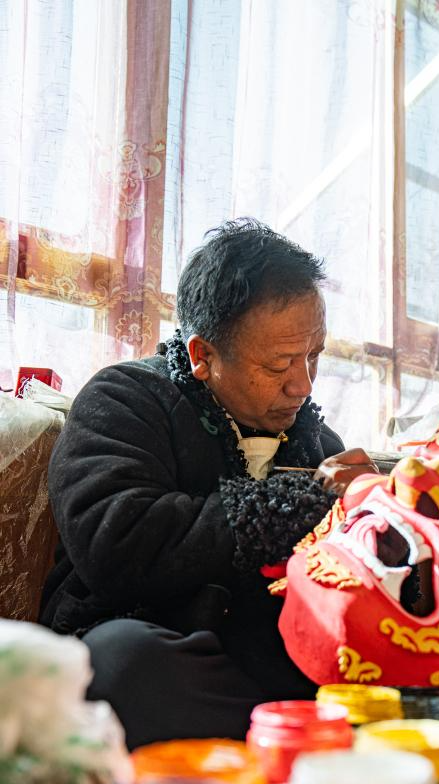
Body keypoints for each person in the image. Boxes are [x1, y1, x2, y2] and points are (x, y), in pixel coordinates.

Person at [40, 219, 377, 749]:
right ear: (203, 356)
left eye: (314, 356)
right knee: (123, 662)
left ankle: (292, 733)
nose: (303, 385)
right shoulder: (124, 399)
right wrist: (308, 503)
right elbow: (119, 542)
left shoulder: (317, 440)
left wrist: (379, 513)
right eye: (280, 364)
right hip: (163, 650)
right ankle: (299, 736)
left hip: (268, 663)